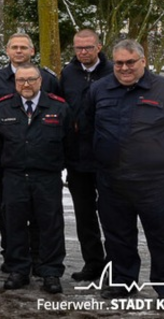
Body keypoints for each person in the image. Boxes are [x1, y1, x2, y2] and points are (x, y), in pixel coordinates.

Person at [80, 39, 164, 300]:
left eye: (130, 62)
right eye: (119, 62)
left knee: (163, 238)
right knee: (118, 236)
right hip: (112, 180)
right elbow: (85, 127)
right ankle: (123, 281)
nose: (124, 68)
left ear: (143, 61)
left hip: (156, 182)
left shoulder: (162, 89)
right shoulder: (99, 89)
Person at [0, 63, 70, 294]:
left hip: (47, 177)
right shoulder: (3, 108)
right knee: (14, 224)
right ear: (15, 83)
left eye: (31, 80)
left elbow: (69, 143)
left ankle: (51, 271)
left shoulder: (59, 107)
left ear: (40, 81)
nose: (26, 84)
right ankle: (19, 270)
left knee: (50, 225)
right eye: (21, 80)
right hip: (14, 176)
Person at [0, 33, 59, 270]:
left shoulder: (48, 78)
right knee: (10, 215)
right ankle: (13, 259)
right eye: (14, 47)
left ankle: (39, 257)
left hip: (42, 164)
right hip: (10, 165)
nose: (19, 51)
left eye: (23, 47)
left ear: (32, 51)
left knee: (42, 216)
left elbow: (60, 117)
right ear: (7, 51)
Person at [57, 28, 111, 281]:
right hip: (77, 157)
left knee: (112, 214)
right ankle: (93, 262)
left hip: (108, 157)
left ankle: (114, 265)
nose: (83, 52)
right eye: (79, 48)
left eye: (88, 47)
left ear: (98, 46)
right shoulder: (68, 73)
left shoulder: (113, 72)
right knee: (84, 214)